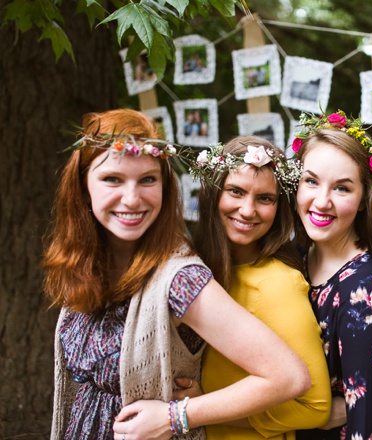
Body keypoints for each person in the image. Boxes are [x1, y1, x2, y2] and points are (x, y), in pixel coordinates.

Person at [43, 109, 311, 440]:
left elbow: (288, 376)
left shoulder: (180, 279)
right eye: (112, 178)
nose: (132, 198)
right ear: (83, 186)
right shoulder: (86, 264)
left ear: (165, 187)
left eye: (147, 180)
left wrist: (177, 416)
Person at [181, 136, 332, 439]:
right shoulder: (192, 270)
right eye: (235, 191)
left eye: (264, 198)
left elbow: (315, 406)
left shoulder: (277, 284)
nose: (247, 210)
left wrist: (199, 409)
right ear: (213, 194)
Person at [291, 111, 372, 440]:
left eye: (342, 188)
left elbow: (367, 425)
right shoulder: (294, 257)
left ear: (364, 200)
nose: (321, 202)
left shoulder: (367, 289)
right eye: (311, 181)